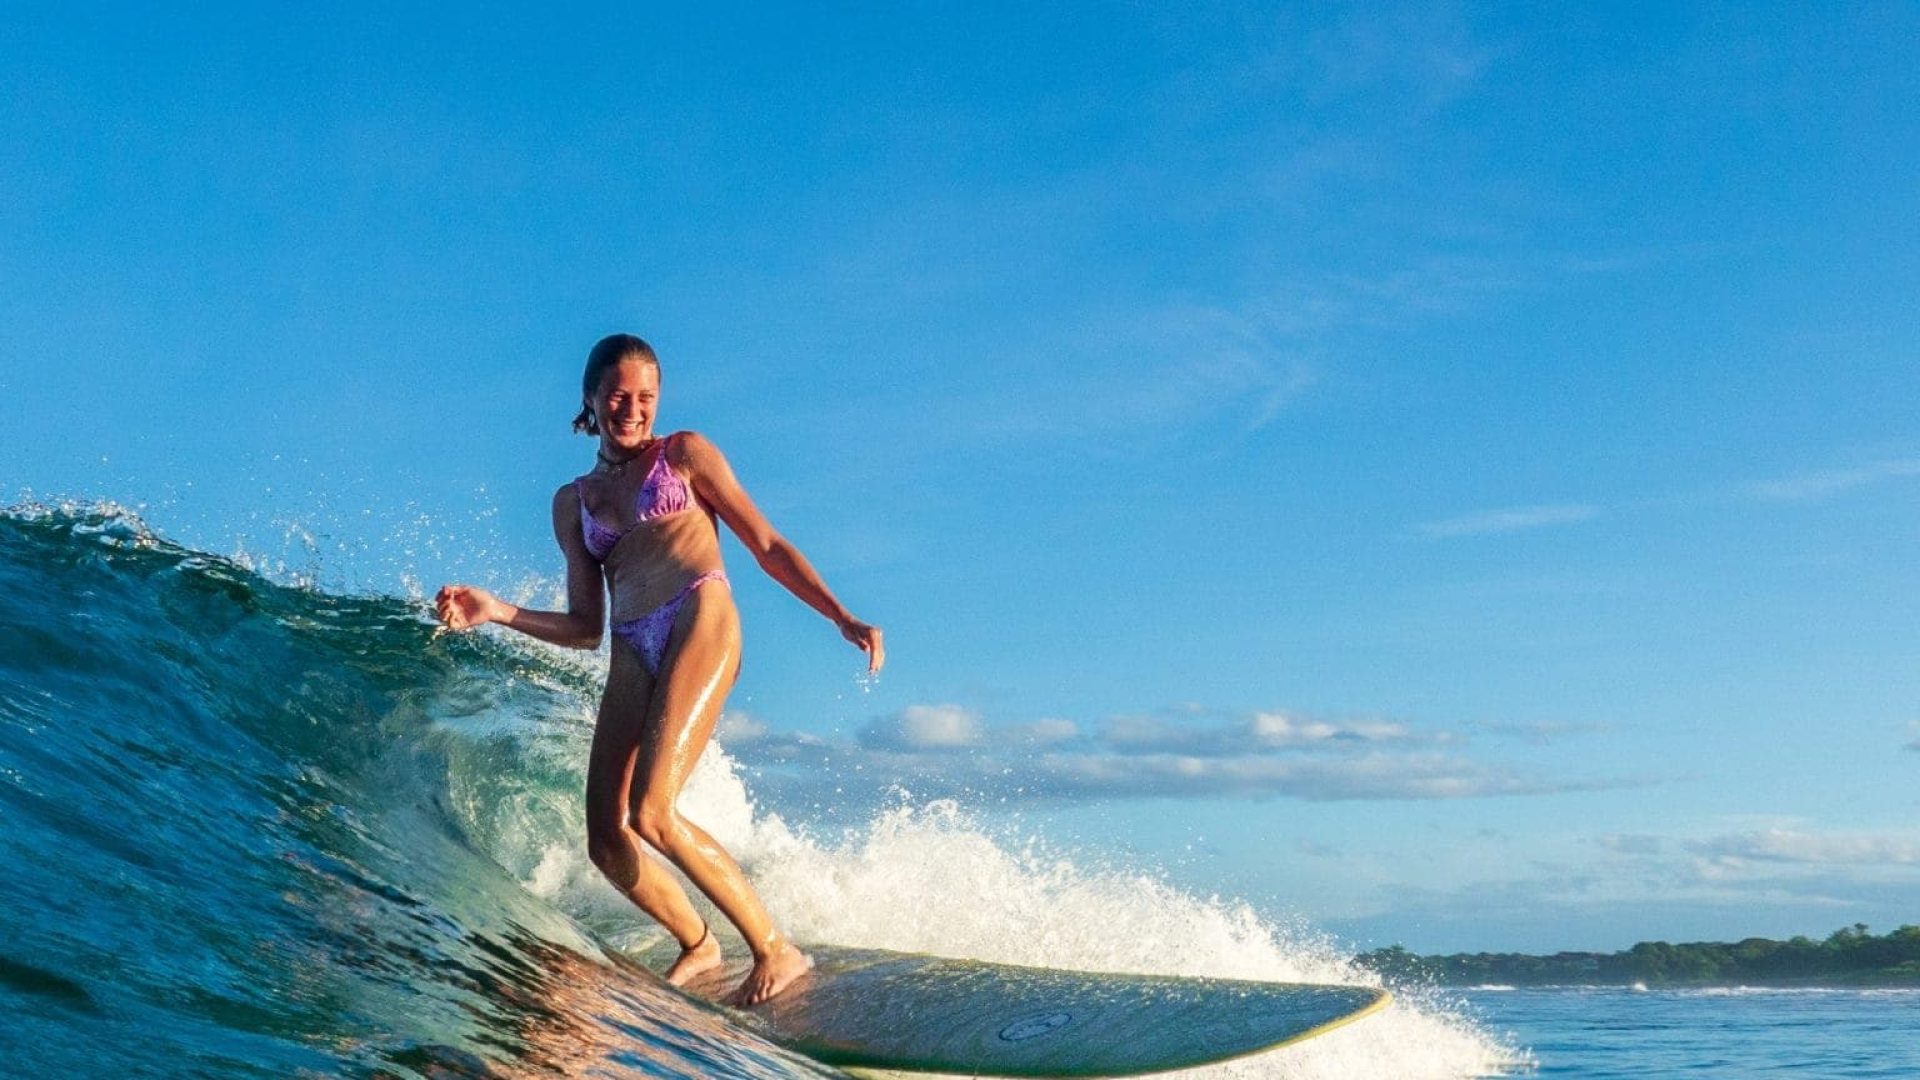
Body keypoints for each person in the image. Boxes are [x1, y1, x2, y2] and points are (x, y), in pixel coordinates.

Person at [434, 333, 883, 1006]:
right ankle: (698, 945)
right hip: (629, 643)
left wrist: (840, 615)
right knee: (607, 840)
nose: (633, 409)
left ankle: (775, 950)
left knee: (652, 811)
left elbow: (765, 544)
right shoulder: (573, 502)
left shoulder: (685, 455)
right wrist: (496, 610)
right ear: (590, 398)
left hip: (698, 614)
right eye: (619, 395)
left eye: (646, 397)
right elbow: (586, 628)